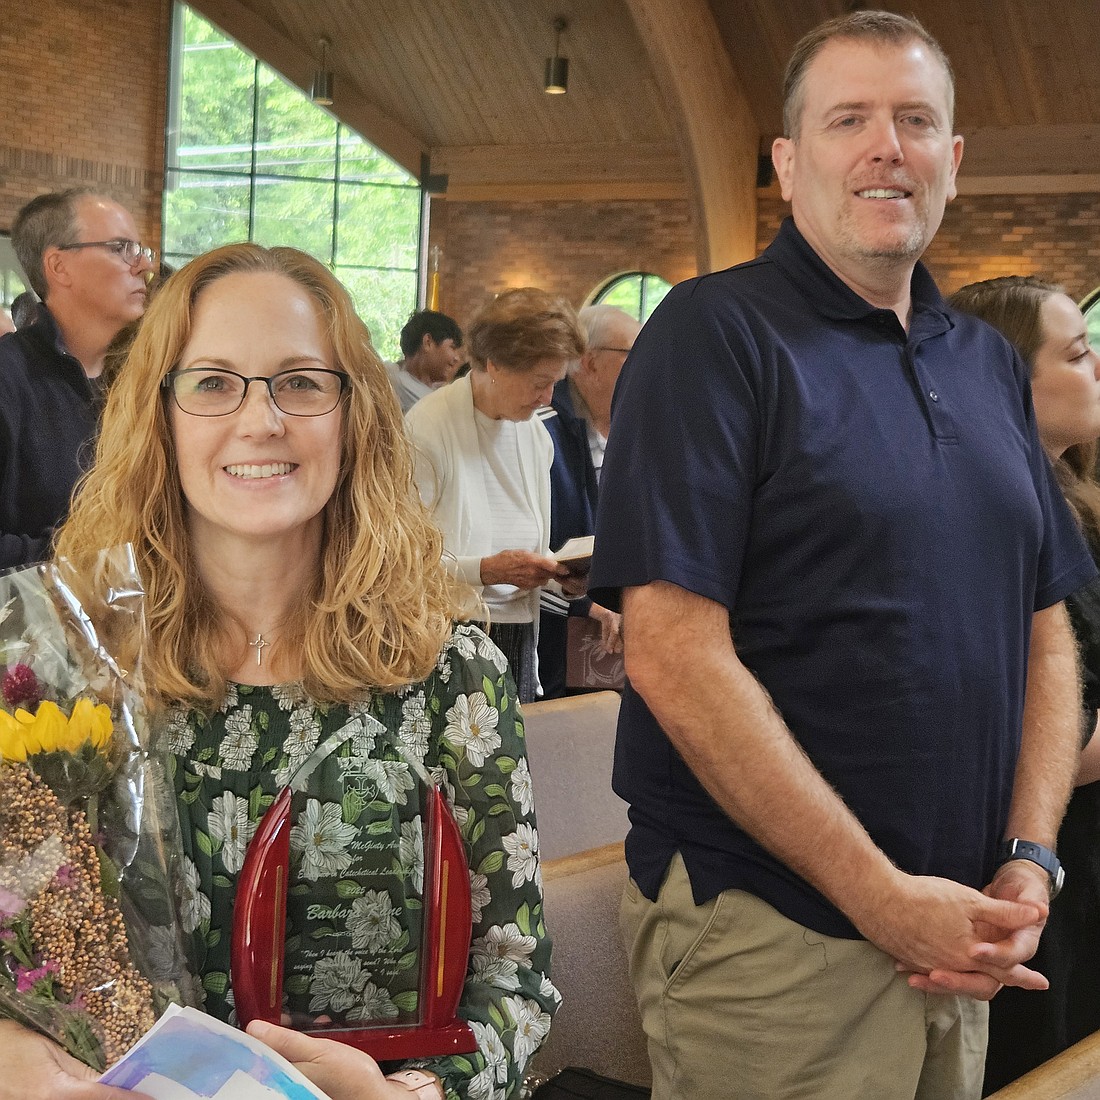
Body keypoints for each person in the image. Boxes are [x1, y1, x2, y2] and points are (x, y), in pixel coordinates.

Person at [588, 11, 1095, 1100]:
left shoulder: (981, 362)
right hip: (775, 927)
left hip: (960, 920)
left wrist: (1027, 851)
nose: (885, 147)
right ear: (787, 161)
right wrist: (874, 890)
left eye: (914, 120)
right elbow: (673, 652)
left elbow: (1042, 628)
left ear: (951, 161)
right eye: (847, 119)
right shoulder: (712, 334)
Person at [1, 243, 557, 1100]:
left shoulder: (451, 673)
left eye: (300, 382)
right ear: (159, 414)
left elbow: (514, 980)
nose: (261, 421)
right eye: (214, 382)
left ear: (354, 414)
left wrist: (412, 1095)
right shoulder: (58, 667)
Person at [948, 276, 1100, 1093]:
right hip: (1043, 860)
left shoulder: (1070, 498)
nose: (1098, 367)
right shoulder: (983, 526)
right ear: (1009, 383)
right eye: (1077, 354)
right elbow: (1002, 748)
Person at [405, 287, 586, 703]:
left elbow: (528, 551)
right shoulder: (428, 428)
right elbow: (401, 561)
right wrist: (485, 570)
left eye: (555, 384)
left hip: (518, 631)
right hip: (445, 637)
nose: (547, 399)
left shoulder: (535, 434)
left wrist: (562, 579)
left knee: (512, 765)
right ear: (495, 364)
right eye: (539, 383)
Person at [0, 187, 154, 567]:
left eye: (141, 250)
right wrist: (89, 554)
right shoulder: (9, 378)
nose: (143, 266)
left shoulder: (145, 380)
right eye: (121, 248)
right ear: (59, 266)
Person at [537, 304, 640, 698]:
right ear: (590, 363)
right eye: (632, 354)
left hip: (612, 632)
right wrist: (586, 603)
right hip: (551, 632)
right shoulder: (541, 424)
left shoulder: (634, 428)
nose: (641, 367)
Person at [387, 309, 465, 413]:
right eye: (452, 347)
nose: (457, 358)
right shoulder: (393, 384)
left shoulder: (440, 392)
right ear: (428, 342)